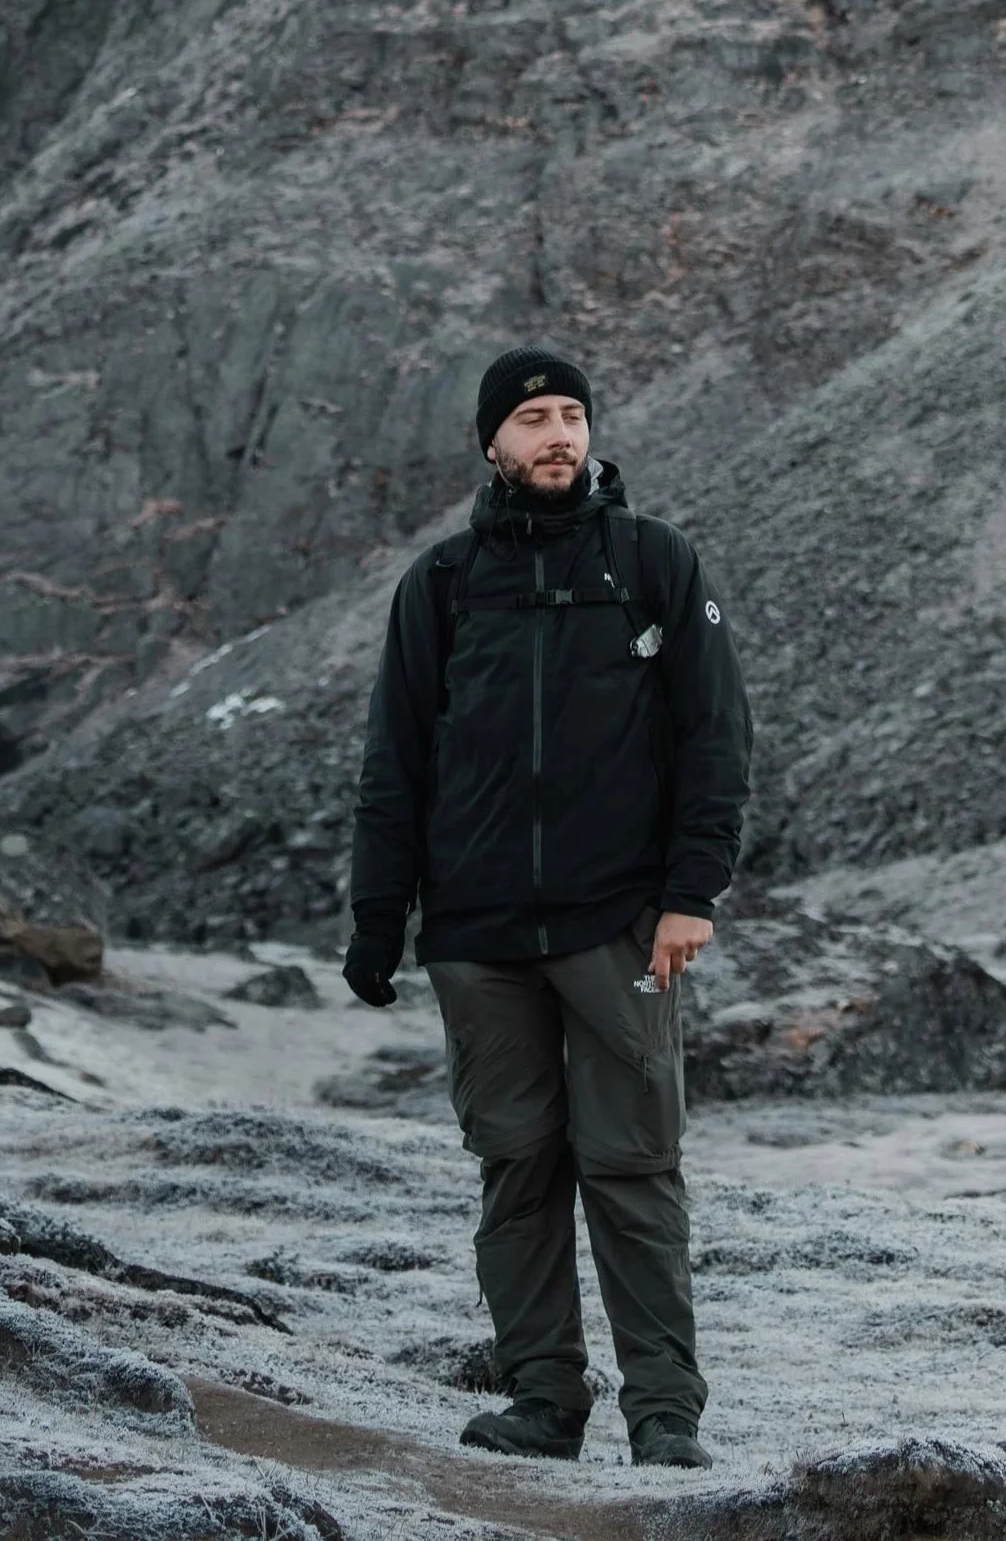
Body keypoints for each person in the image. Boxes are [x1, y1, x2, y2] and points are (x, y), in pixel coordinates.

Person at [345, 345, 752, 1468]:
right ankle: (542, 1399)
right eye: (532, 417)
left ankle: (663, 1411)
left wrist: (689, 894)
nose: (557, 434)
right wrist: (379, 921)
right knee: (516, 1166)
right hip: (475, 934)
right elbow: (394, 762)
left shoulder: (655, 563)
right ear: (492, 442)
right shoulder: (440, 583)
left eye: (571, 414)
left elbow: (716, 739)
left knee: (631, 1165)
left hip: (616, 921)